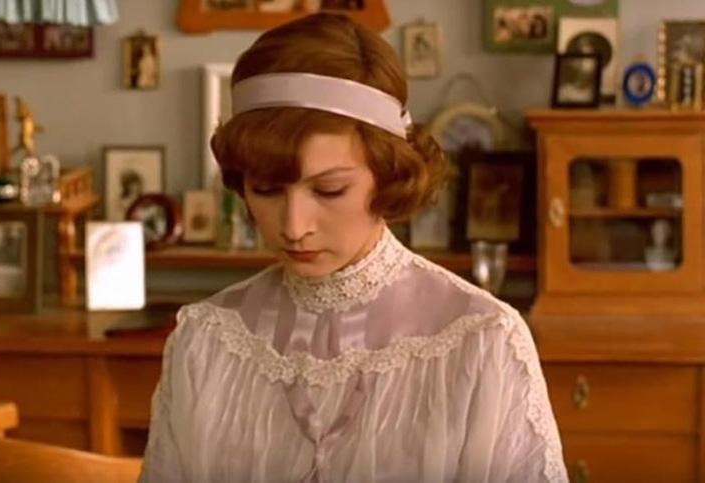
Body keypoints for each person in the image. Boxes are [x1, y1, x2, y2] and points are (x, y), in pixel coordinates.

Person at [140, 13, 567, 482]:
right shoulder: (205, 341)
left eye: (329, 190)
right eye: (266, 189)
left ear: (386, 175)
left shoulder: (482, 340)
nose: (294, 227)